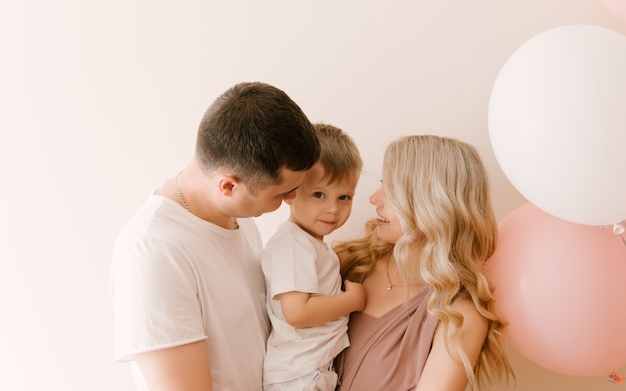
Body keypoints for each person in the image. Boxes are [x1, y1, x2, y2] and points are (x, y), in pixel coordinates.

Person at [110, 82, 321, 391]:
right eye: (282, 192)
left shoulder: (236, 215)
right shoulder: (154, 251)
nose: (292, 200)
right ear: (228, 186)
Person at [333, 135, 515, 391]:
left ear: (433, 203)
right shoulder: (349, 263)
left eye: (393, 189)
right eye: (382, 183)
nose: (374, 198)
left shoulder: (458, 315)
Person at [260, 123, 366, 391]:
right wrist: (353, 300)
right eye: (319, 194)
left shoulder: (311, 245)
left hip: (310, 370)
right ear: (290, 192)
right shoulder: (294, 245)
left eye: (344, 197)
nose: (332, 209)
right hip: (299, 375)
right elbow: (297, 312)